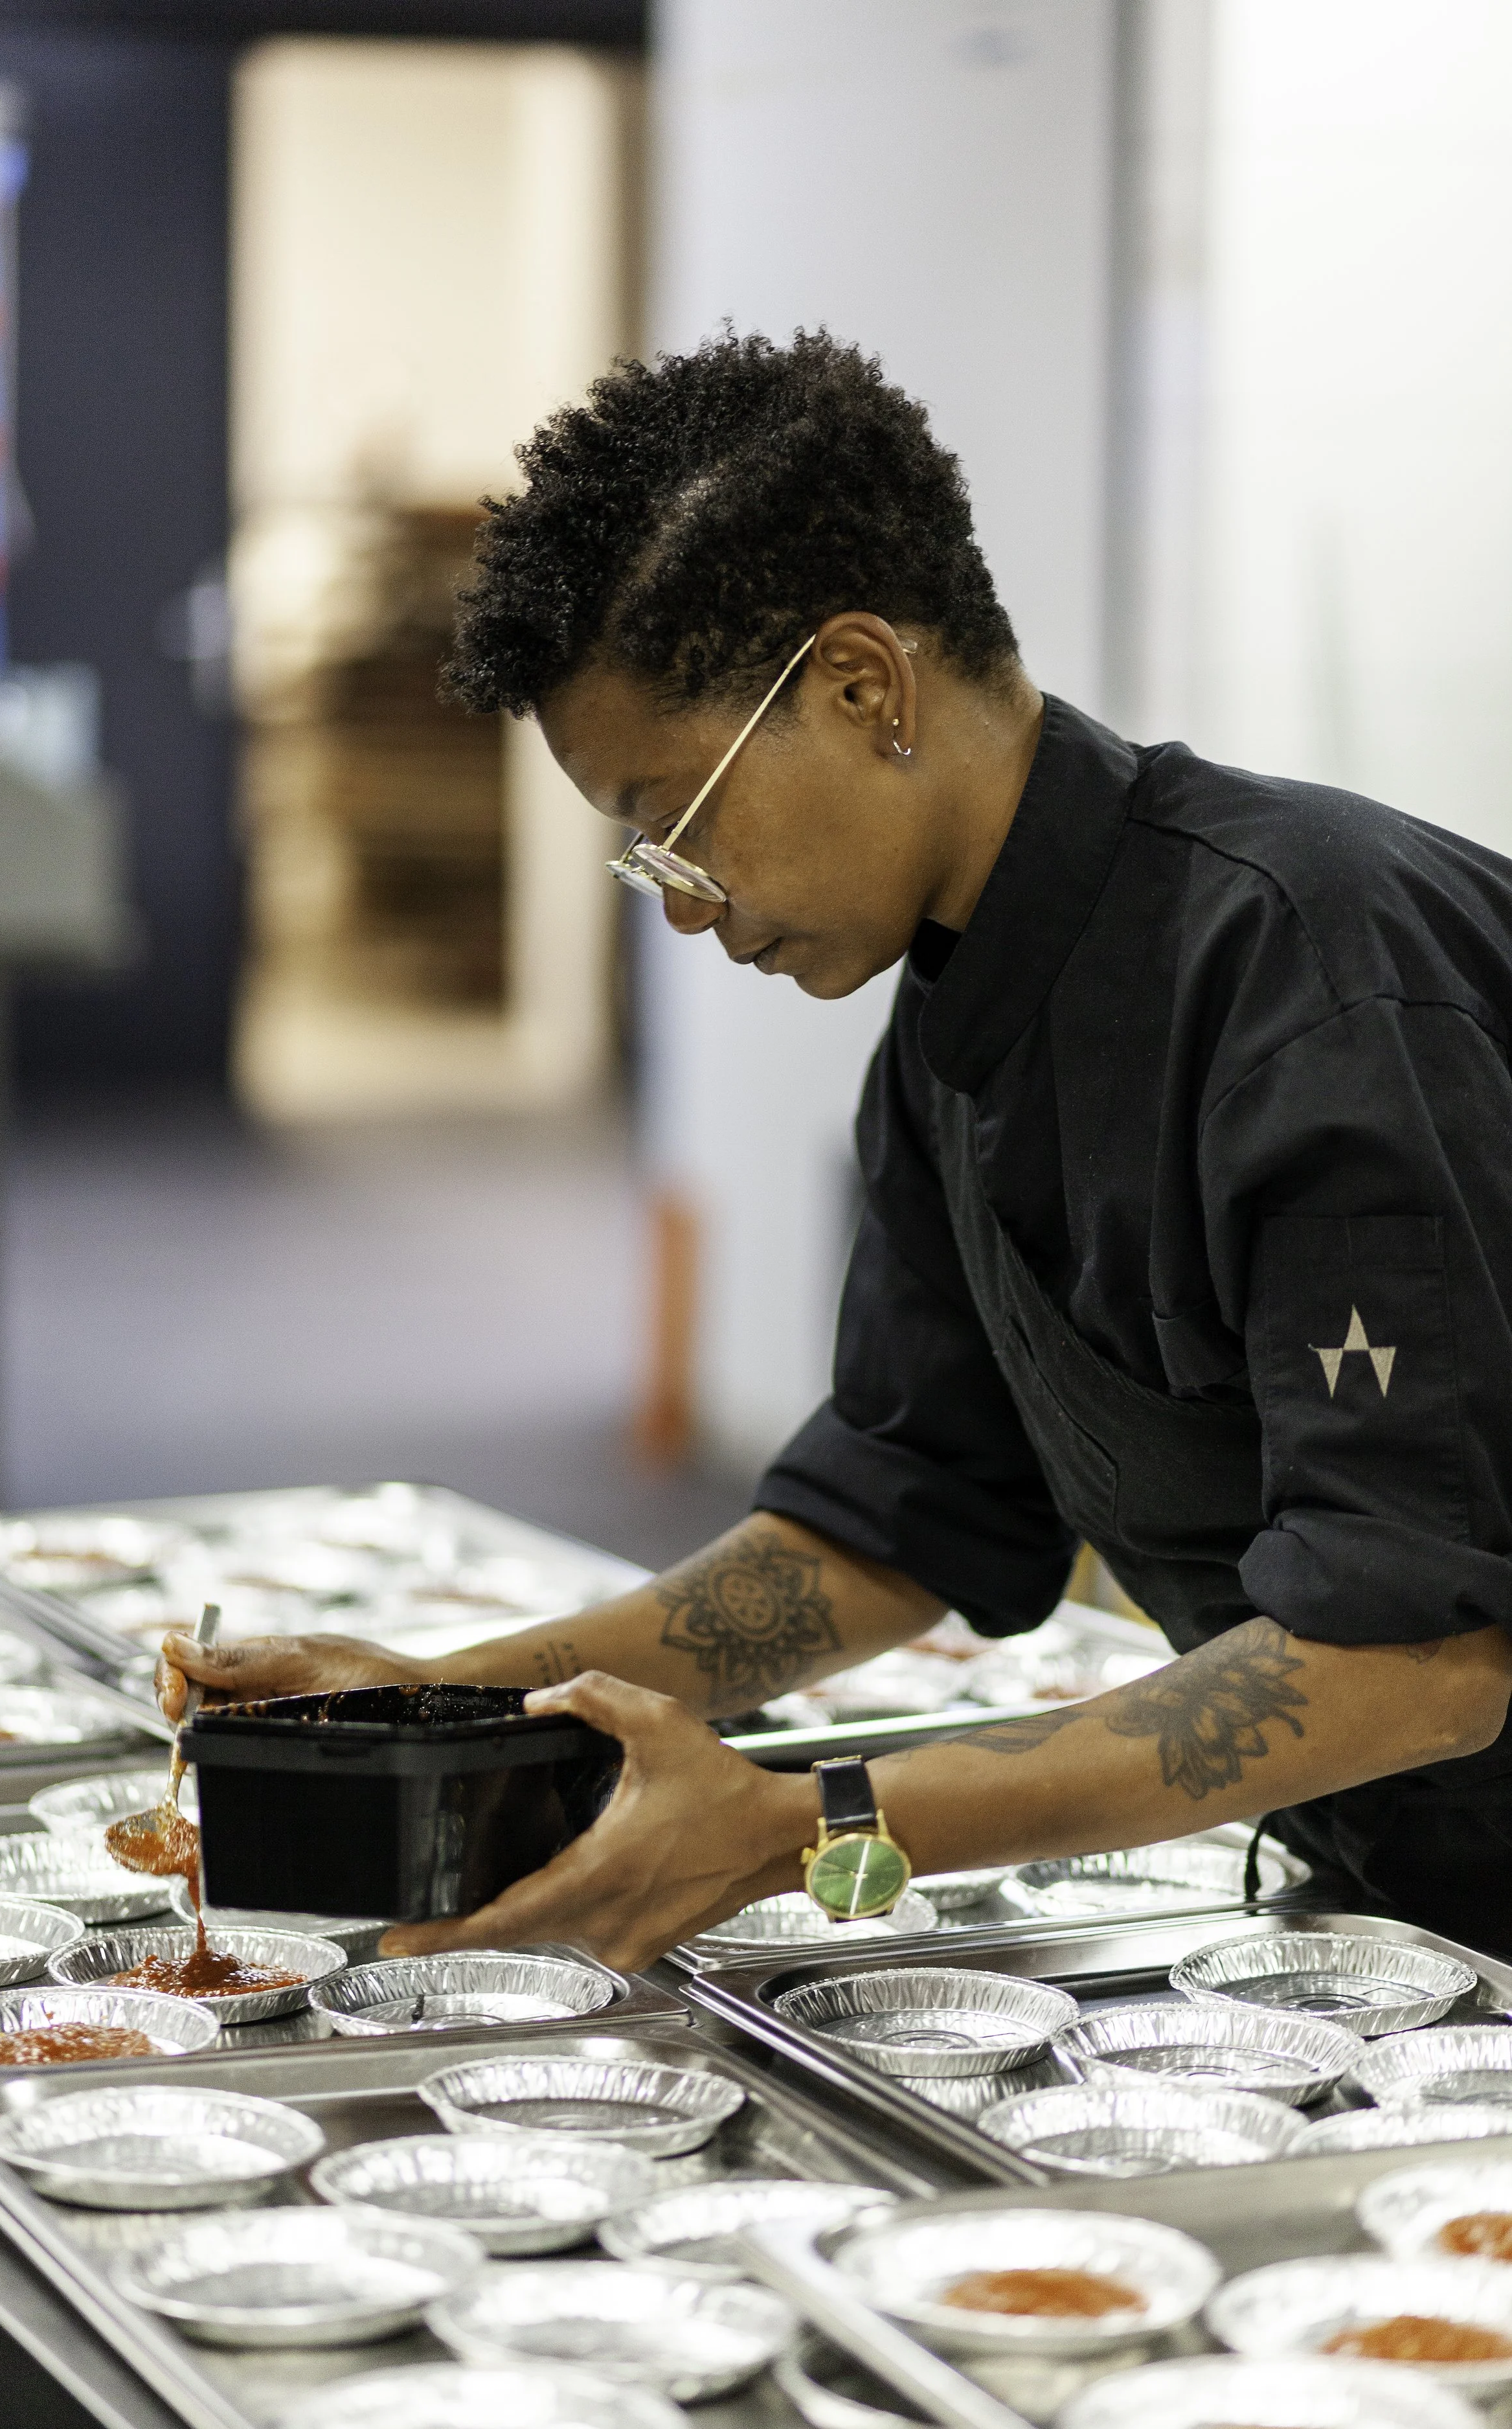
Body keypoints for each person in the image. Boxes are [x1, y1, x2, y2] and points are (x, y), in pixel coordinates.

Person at [159, 330, 1512, 1967]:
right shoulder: (950, 1032)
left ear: (863, 688)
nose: (679, 901)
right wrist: (447, 1703)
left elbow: (1414, 1662)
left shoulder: (1311, 977)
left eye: (674, 819)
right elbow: (887, 1524)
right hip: (1397, 1884)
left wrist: (809, 1829)